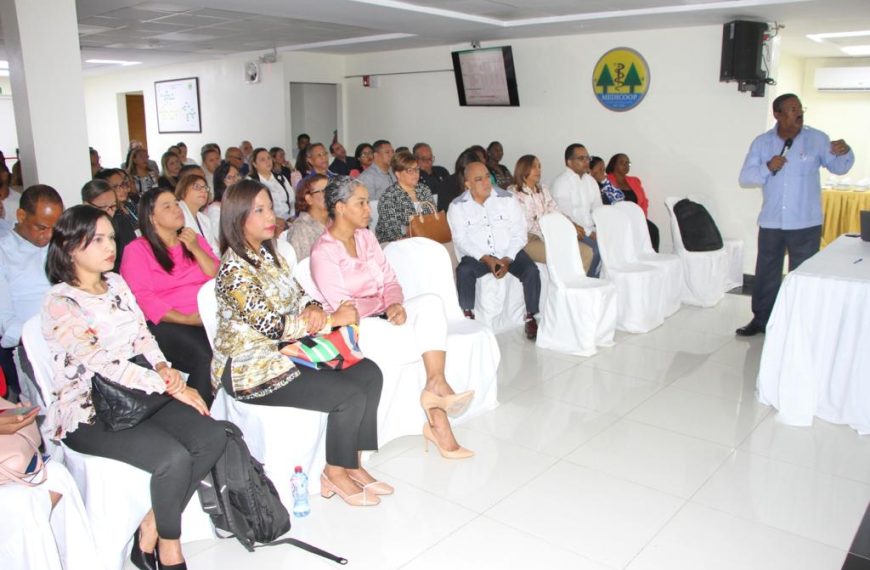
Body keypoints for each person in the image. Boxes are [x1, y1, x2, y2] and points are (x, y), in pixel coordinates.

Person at [42, 204, 225, 570]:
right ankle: (168, 548)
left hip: (139, 396)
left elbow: (143, 336)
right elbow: (101, 364)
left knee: (212, 436)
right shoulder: (60, 301)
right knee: (172, 459)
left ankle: (153, 523)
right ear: (71, 246)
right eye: (98, 240)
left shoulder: (117, 283)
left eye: (111, 237)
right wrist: (169, 385)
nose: (110, 246)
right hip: (91, 411)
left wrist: (163, 367)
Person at [212, 179, 388, 507]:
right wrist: (331, 319)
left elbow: (299, 293)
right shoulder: (233, 269)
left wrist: (313, 307)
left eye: (270, 207)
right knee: (348, 395)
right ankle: (333, 472)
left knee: (369, 374)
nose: (271, 216)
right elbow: (271, 325)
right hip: (250, 368)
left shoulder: (271, 256)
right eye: (259, 210)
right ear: (238, 219)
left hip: (289, 352)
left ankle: (353, 462)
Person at [310, 176, 475, 458]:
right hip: (354, 328)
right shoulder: (323, 251)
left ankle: (436, 383)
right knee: (422, 336)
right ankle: (439, 423)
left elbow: (390, 280)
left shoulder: (366, 237)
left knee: (432, 304)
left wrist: (395, 302)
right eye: (360, 203)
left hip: (382, 315)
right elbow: (345, 308)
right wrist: (384, 307)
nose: (368, 209)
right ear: (339, 207)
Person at [736, 93, 854, 336]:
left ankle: (801, 323)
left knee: (802, 274)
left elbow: (839, 167)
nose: (798, 113)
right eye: (791, 109)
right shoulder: (762, 143)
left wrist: (844, 152)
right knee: (767, 272)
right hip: (772, 220)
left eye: (800, 108)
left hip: (805, 221)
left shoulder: (817, 139)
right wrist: (767, 167)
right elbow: (746, 177)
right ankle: (761, 320)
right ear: (777, 114)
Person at [121, 188, 218, 405]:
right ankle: (200, 415)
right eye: (167, 206)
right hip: (168, 322)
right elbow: (142, 298)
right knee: (206, 355)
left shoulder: (194, 240)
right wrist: (186, 319)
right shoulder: (137, 250)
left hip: (207, 316)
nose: (176, 209)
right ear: (151, 217)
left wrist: (195, 248)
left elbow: (216, 275)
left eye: (176, 203)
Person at [448, 162, 541, 340]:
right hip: (479, 256)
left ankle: (531, 316)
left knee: (531, 270)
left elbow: (519, 233)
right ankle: (467, 316)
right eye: (478, 179)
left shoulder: (507, 199)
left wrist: (506, 259)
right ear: (468, 184)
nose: (486, 182)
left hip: (508, 251)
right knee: (464, 271)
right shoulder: (457, 206)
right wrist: (487, 259)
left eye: (487, 176)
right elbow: (461, 240)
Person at [0, 185, 63, 404]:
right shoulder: (3, 253)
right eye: (42, 227)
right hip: (32, 346)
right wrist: (51, 335)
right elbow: (7, 324)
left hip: (73, 334)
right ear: (21, 216)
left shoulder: (59, 246)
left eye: (54, 228)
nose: (49, 235)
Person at [551, 144, 603, 277]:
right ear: (569, 162)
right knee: (596, 249)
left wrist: (601, 229)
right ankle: (589, 283)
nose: (586, 162)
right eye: (581, 158)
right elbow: (566, 217)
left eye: (587, 158)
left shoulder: (591, 181)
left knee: (611, 244)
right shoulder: (561, 183)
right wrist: (589, 232)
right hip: (573, 231)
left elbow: (598, 209)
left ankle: (603, 285)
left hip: (591, 230)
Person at [508, 155, 560, 264]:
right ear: (523, 169)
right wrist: (546, 225)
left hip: (548, 234)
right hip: (528, 238)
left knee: (581, 251)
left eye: (539, 166)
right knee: (558, 254)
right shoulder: (513, 194)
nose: (538, 170)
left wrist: (568, 224)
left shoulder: (543, 189)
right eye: (534, 166)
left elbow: (554, 211)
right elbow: (524, 223)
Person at [374, 149, 434, 244]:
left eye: (417, 169)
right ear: (398, 174)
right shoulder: (389, 196)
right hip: (395, 243)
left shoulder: (423, 189)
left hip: (423, 239)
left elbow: (432, 217)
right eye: (410, 171)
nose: (415, 174)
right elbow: (393, 232)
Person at [606, 153, 660, 252]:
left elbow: (644, 201)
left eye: (628, 163)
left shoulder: (635, 181)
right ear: (614, 165)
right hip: (619, 219)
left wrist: (641, 217)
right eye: (622, 163)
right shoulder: (607, 181)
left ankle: (653, 256)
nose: (626, 165)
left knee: (653, 230)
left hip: (636, 217)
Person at [81, 179, 136, 271]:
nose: (110, 212)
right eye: (103, 207)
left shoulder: (121, 219)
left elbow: (131, 255)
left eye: (113, 206)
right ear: (86, 205)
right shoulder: (79, 227)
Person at [286, 174, 328, 260]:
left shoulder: (337, 221)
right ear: (309, 199)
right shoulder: (300, 230)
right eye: (325, 191)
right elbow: (302, 269)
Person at [249, 147, 292, 231]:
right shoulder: (251, 182)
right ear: (254, 164)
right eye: (262, 160)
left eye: (269, 158)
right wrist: (275, 219)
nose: (267, 162)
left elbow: (292, 200)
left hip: (287, 221)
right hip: (266, 222)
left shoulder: (280, 178)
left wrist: (291, 217)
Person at [175, 173, 219, 254]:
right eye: (197, 187)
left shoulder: (204, 219)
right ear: (183, 190)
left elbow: (215, 250)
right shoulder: (176, 212)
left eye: (205, 188)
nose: (203, 191)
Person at [206, 161, 241, 237]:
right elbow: (219, 235)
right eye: (229, 178)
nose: (236, 180)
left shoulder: (242, 202)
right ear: (220, 182)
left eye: (237, 175)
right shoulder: (215, 209)